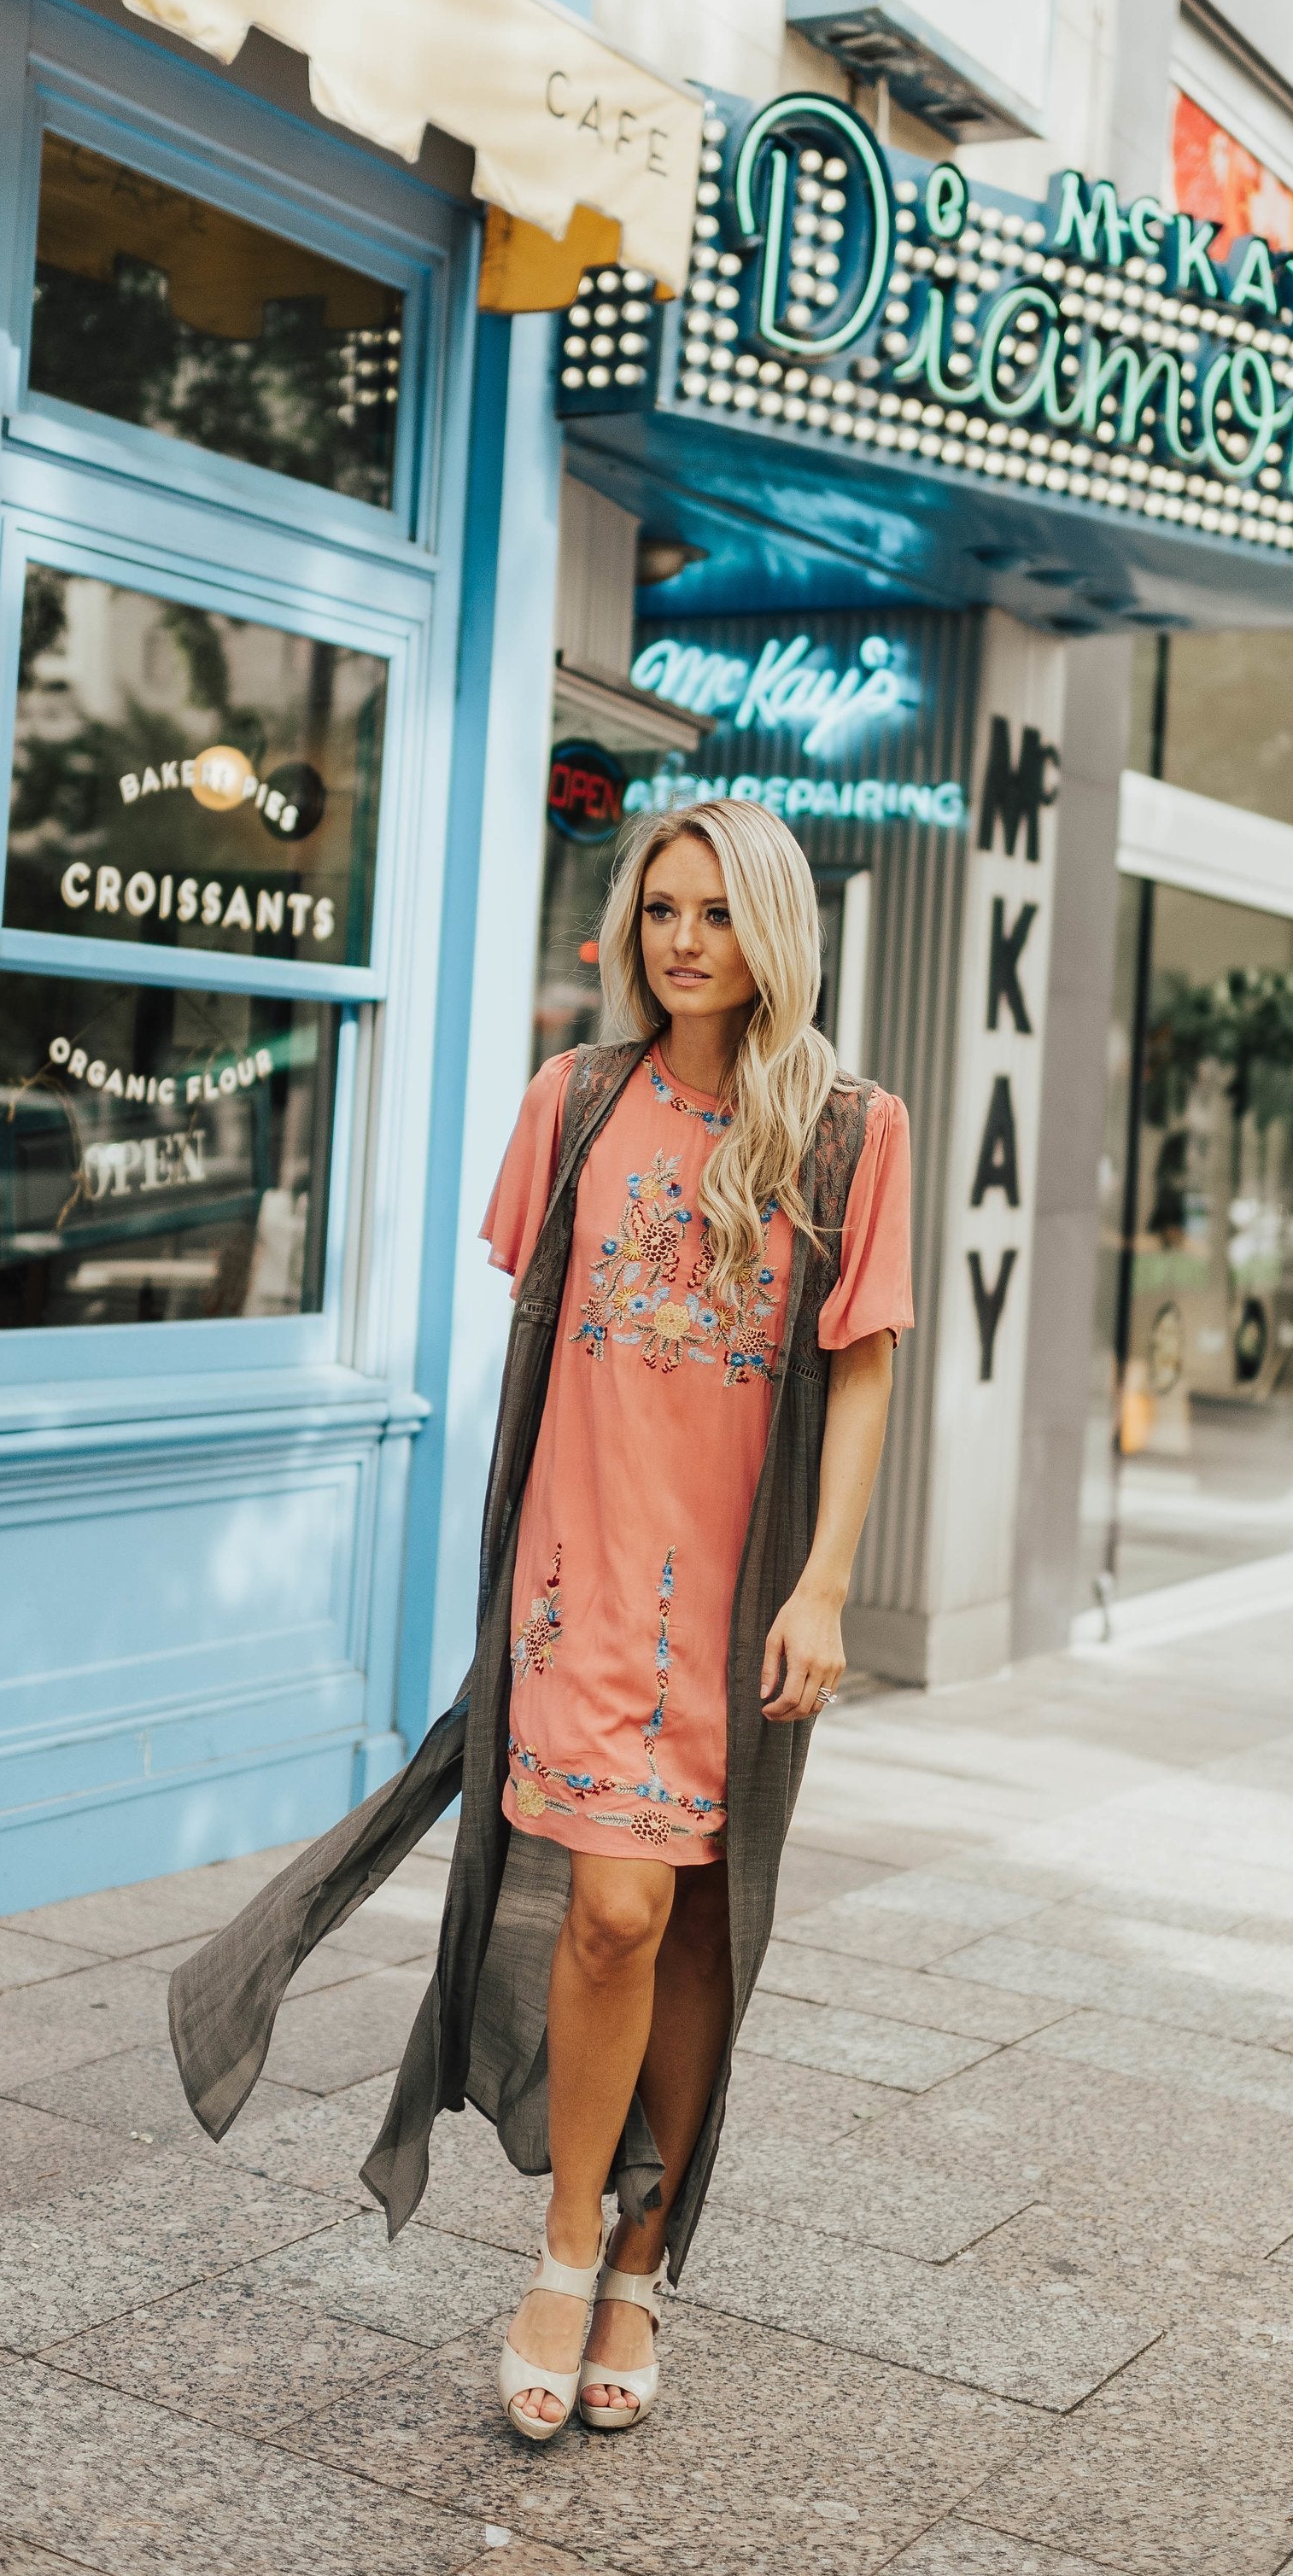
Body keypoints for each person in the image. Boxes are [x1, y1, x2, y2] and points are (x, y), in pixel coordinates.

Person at [168, 796, 913, 2444]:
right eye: (660, 908)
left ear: (770, 928)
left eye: (715, 912)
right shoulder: (574, 1105)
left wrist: (825, 1582)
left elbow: (861, 1372)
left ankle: (641, 2265)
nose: (683, 940)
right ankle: (567, 2242)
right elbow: (534, 1339)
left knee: (707, 1926)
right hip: (581, 1592)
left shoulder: (853, 1130)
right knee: (614, 1915)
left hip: (736, 1598)